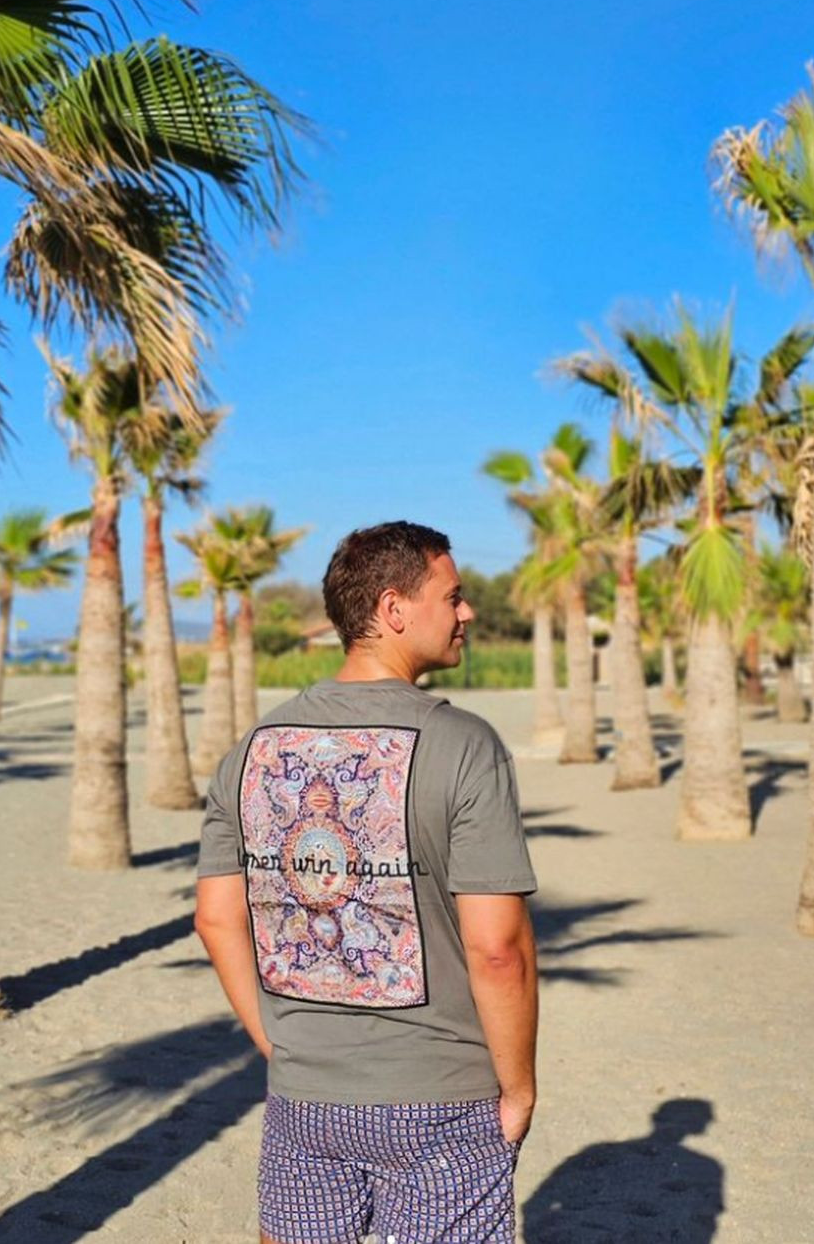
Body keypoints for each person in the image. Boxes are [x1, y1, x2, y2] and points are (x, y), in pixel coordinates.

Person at [195, 521, 538, 1244]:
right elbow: (498, 949)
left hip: (304, 1100)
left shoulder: (252, 750)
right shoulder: (464, 745)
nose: (468, 611)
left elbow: (216, 920)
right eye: (453, 595)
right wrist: (518, 1088)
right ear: (393, 609)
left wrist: (280, 1046)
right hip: (441, 1101)